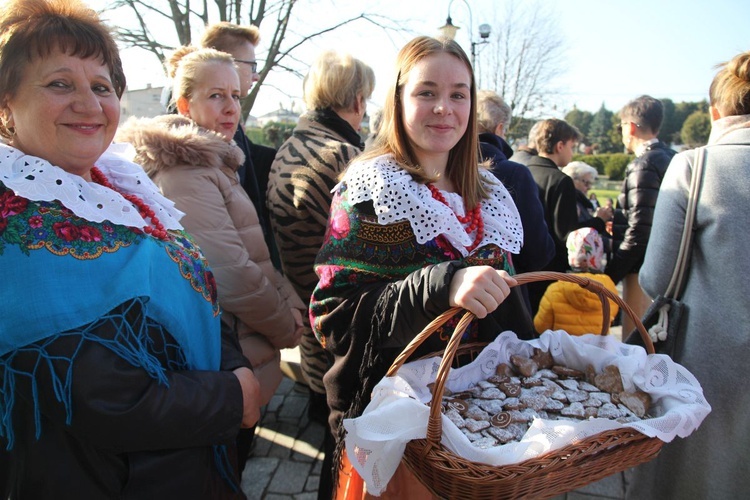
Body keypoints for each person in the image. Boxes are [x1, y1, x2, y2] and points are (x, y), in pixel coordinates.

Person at [0, 1, 260, 497]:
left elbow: (191, 285)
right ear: (5, 101)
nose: (90, 104)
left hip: (183, 460)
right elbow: (95, 395)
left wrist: (234, 364)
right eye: (60, 84)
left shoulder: (122, 194)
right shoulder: (15, 226)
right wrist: (232, 396)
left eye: (101, 87)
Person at [309, 35, 534, 496]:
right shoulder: (372, 192)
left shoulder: (490, 194)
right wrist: (442, 284)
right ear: (398, 99)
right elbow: (331, 317)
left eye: (458, 94)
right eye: (426, 92)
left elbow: (509, 301)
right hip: (403, 438)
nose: (443, 108)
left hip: (484, 428)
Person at [115, 46, 305, 468]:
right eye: (216, 96)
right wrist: (284, 325)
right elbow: (229, 273)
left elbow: (253, 252)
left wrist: (288, 298)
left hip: (244, 347)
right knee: (224, 467)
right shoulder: (186, 172)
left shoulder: (212, 163)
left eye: (235, 95)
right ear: (186, 104)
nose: (231, 107)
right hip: (227, 356)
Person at [625, 50, 750, 500]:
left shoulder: (696, 166)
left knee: (692, 475)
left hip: (707, 359)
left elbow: (657, 277)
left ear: (716, 113)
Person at [265, 49, 374, 499]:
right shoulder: (343, 155)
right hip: (340, 321)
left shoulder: (291, 146)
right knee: (345, 445)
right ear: (357, 98)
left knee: (324, 424)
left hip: (308, 302)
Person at [199, 21, 282, 270]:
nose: (256, 75)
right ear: (227, 62)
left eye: (234, 97)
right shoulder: (205, 130)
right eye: (252, 65)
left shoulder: (229, 123)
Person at [521, 118, 610, 319]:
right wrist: (599, 221)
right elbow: (567, 234)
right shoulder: (561, 180)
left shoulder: (523, 171)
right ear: (560, 146)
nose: (572, 152)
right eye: (572, 146)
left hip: (521, 264)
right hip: (549, 268)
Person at [476, 89, 554, 306]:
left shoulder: (438, 169)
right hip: (504, 301)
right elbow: (538, 252)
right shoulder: (513, 174)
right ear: (500, 128)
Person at [605, 95, 676, 335]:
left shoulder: (644, 164)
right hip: (669, 267)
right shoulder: (674, 158)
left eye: (621, 126)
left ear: (631, 127)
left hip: (641, 271)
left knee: (636, 345)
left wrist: (610, 275)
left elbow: (639, 229)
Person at [534, 228, 619, 335]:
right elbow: (612, 315)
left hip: (562, 350)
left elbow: (541, 326)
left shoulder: (555, 290)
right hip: (597, 349)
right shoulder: (608, 288)